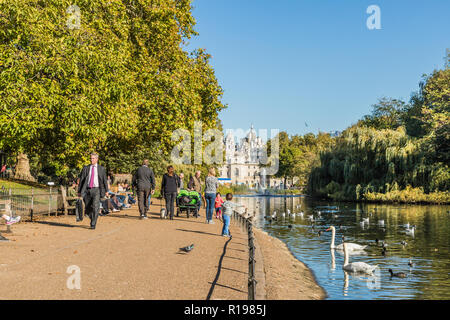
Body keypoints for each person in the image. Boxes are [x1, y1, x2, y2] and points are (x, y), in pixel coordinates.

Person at [77, 152, 108, 230]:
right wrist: (79, 191)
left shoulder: (101, 169)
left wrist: (106, 190)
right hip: (87, 190)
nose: (91, 160)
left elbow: (104, 180)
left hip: (97, 189)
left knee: (95, 206)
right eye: (90, 158)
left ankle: (93, 223)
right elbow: (82, 180)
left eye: (93, 158)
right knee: (87, 208)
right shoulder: (86, 168)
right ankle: (92, 217)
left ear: (97, 159)